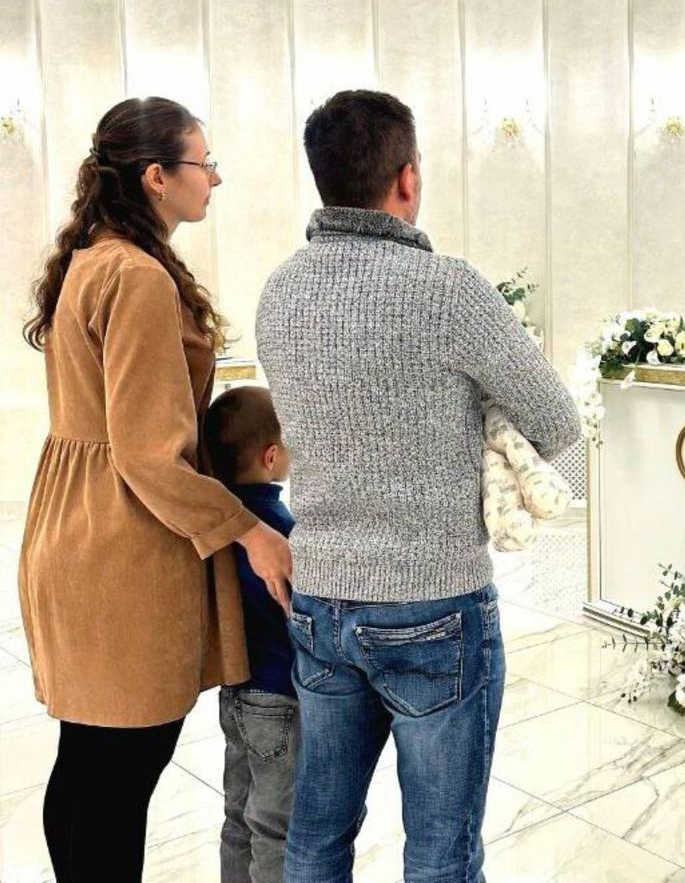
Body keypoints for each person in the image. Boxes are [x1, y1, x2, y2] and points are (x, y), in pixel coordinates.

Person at [256, 90, 580, 883]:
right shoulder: (447, 289)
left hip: (321, 598)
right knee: (440, 849)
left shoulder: (280, 291)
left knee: (317, 836)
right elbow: (556, 420)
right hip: (433, 602)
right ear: (407, 178)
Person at [17, 97, 292, 883]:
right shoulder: (136, 277)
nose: (215, 179)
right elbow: (147, 456)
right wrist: (252, 529)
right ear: (156, 177)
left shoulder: (95, 258)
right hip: (122, 550)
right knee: (119, 776)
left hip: (73, 529)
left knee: (88, 761)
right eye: (204, 163)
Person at [204, 386, 298, 883]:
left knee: (239, 814)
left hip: (235, 691)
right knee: (277, 826)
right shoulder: (277, 531)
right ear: (271, 456)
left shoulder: (217, 524)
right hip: (279, 696)